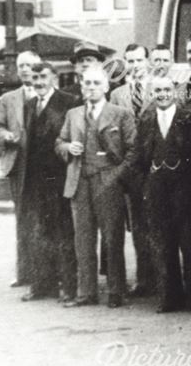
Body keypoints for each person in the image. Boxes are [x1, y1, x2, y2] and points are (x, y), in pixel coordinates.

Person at [57, 67, 137, 309]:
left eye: (95, 83)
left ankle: (115, 291)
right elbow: (59, 142)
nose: (90, 87)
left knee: (112, 238)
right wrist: (67, 148)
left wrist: (116, 175)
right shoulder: (73, 114)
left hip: (108, 181)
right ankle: (86, 293)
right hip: (79, 182)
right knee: (83, 239)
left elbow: (134, 150)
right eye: (86, 83)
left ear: (106, 87)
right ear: (81, 87)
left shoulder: (121, 114)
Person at [130, 76, 191, 313]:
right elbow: (140, 156)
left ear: (175, 92)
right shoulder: (146, 119)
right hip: (157, 190)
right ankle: (169, 298)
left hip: (186, 188)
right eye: (157, 90)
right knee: (163, 244)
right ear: (152, 94)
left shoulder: (188, 118)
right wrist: (145, 184)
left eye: (166, 89)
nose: (162, 94)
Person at [20, 62, 77, 303]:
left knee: (63, 233)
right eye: (35, 77)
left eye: (43, 76)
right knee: (38, 232)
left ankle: (68, 285)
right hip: (36, 181)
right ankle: (42, 285)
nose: (39, 82)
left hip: (60, 177)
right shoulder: (30, 105)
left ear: (54, 77)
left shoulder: (69, 102)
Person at [109, 43, 155, 299]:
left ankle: (164, 277)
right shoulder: (118, 95)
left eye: (139, 60)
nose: (135, 66)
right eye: (130, 61)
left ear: (147, 61)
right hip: (132, 168)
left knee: (158, 223)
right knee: (137, 225)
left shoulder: (162, 86)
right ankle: (144, 279)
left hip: (156, 164)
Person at [0, 50, 41, 288]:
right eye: (21, 65)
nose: (24, 70)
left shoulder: (47, 94)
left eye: (29, 65)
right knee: (23, 220)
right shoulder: (8, 98)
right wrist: (6, 135)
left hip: (44, 168)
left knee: (47, 220)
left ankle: (52, 272)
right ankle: (25, 273)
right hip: (19, 166)